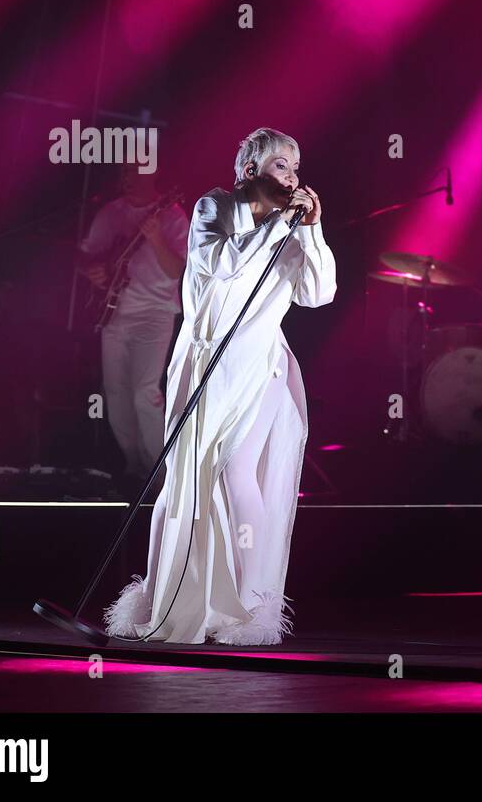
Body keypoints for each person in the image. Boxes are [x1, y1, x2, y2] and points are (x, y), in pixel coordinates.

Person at [103, 128, 336, 645]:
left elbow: (318, 294)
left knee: (236, 474)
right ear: (250, 171)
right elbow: (220, 264)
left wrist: (311, 233)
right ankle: (175, 602)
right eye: (281, 166)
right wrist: (278, 226)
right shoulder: (214, 207)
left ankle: (251, 610)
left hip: (260, 365)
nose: (293, 177)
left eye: (296, 168)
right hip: (206, 360)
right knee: (184, 481)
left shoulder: (291, 228)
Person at [77, 167, 188, 488]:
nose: (125, 176)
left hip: (155, 314)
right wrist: (90, 271)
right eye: (122, 170)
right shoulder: (110, 212)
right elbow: (83, 256)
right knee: (116, 394)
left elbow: (176, 271)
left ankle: (160, 474)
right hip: (112, 314)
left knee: (145, 393)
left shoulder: (174, 216)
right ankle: (134, 466)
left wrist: (154, 237)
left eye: (132, 170)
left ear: (151, 172)